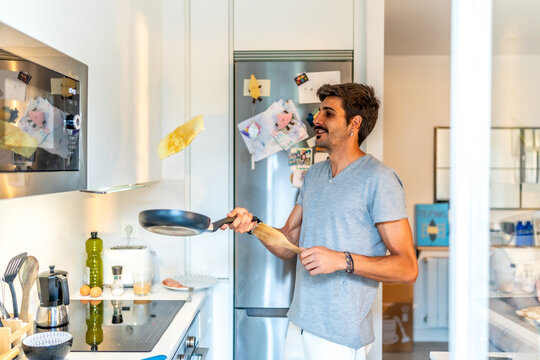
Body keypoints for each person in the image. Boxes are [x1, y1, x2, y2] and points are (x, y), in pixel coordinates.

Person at [222, 83, 418, 360]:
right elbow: (287, 241)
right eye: (318, 112)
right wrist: (253, 225)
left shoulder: (380, 180)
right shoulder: (313, 175)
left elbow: (408, 269)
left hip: (339, 336)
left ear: (355, 123)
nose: (316, 119)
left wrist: (343, 260)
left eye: (328, 113)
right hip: (299, 324)